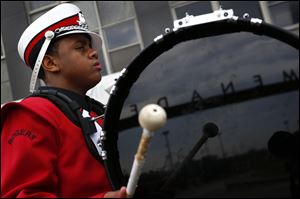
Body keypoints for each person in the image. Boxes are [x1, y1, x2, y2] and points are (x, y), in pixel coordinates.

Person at [1, 3, 127, 198]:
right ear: (50, 63)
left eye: (90, 47)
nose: (93, 52)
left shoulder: (97, 112)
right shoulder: (30, 115)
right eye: (80, 47)